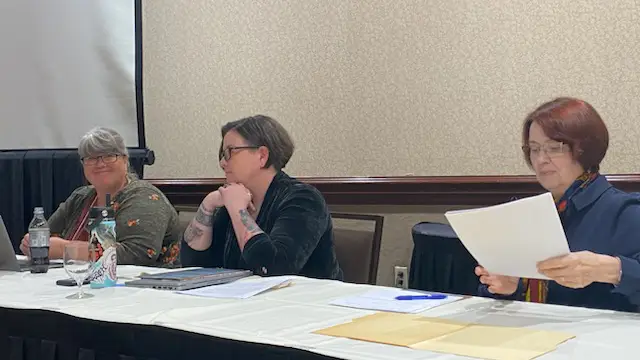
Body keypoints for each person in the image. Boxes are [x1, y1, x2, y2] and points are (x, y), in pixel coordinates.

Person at [476, 97, 640, 312]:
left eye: (554, 148)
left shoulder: (626, 210)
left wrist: (610, 269)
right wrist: (508, 288)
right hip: (531, 334)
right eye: (534, 149)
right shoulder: (527, 214)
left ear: (584, 149)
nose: (541, 159)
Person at [180, 115, 343, 280]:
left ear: (262, 156)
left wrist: (238, 211)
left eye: (230, 152)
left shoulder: (304, 199)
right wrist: (208, 205)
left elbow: (273, 269)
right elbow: (193, 266)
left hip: (306, 302)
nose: (222, 163)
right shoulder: (231, 200)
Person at [20, 127, 181, 266]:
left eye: (109, 155)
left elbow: (136, 255)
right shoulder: (80, 197)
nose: (100, 163)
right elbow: (46, 237)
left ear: (125, 160)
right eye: (91, 158)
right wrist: (32, 243)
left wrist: (65, 249)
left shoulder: (145, 197)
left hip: (142, 291)